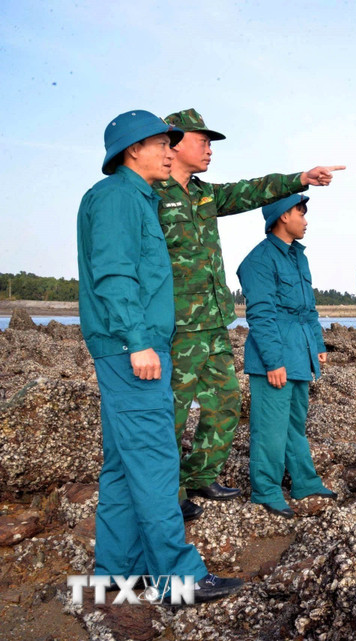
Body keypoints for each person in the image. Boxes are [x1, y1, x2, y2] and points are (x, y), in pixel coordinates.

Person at [77, 110, 242, 603]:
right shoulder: (117, 197)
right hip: (134, 350)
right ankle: (177, 578)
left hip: (133, 347)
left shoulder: (136, 198)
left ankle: (115, 572)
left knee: (124, 466)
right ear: (133, 150)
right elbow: (113, 274)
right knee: (155, 461)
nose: (171, 152)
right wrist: (138, 341)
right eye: (161, 144)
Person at [152, 108, 345, 521]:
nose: (209, 149)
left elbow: (251, 190)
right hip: (175, 325)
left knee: (224, 404)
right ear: (173, 142)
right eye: (202, 140)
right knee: (170, 412)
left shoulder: (204, 194)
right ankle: (170, 492)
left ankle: (202, 474)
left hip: (214, 322)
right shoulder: (150, 191)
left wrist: (301, 179)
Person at [237, 194, 338, 518]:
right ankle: (265, 491)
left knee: (295, 423)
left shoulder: (299, 257)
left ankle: (305, 482)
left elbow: (308, 308)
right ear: (283, 217)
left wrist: (318, 346)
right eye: (300, 213)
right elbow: (261, 314)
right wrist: (273, 361)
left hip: (300, 351)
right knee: (270, 428)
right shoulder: (259, 260)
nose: (306, 220)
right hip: (275, 356)